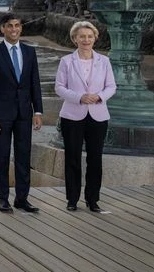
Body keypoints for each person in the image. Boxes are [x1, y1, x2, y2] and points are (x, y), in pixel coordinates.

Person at [0, 13, 43, 213]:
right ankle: (2, 198)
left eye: (17, 25)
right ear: (3, 29)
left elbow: (35, 83)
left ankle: (22, 198)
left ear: (21, 28)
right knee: (1, 156)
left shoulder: (29, 52)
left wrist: (38, 111)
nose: (14, 29)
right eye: (9, 26)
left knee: (23, 157)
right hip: (1, 115)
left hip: (25, 113)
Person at [54, 21, 116, 212]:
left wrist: (99, 97)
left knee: (95, 159)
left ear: (95, 38)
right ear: (75, 39)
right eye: (82, 36)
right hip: (72, 116)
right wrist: (80, 97)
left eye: (90, 36)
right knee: (72, 158)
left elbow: (111, 86)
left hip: (98, 115)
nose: (86, 40)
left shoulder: (104, 61)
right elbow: (59, 87)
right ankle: (72, 200)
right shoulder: (66, 61)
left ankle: (92, 200)